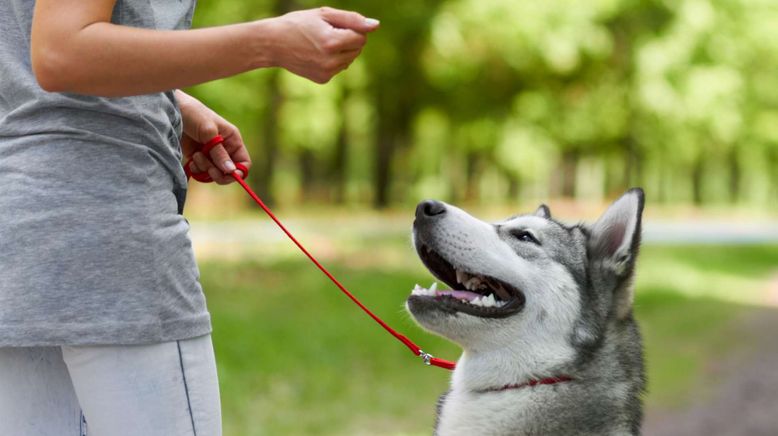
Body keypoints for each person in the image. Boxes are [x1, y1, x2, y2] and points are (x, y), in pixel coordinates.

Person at [0, 1, 379, 435]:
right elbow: (59, 51)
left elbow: (27, 48)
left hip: (19, 239)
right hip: (111, 235)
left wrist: (169, 102)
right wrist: (269, 42)